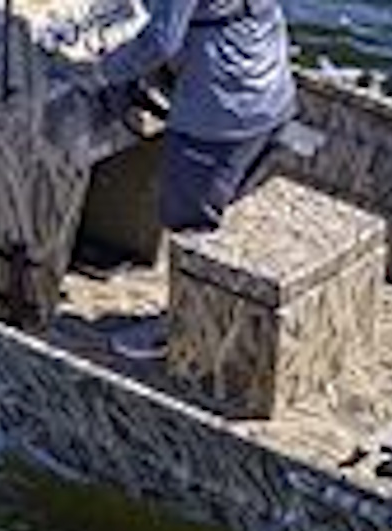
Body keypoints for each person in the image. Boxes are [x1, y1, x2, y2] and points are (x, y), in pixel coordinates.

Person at [89, 0, 297, 360]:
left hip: (219, 113)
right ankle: (220, 320)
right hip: (271, 92)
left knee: (192, 225)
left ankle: (182, 330)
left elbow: (159, 43)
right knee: (223, 220)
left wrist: (96, 73)